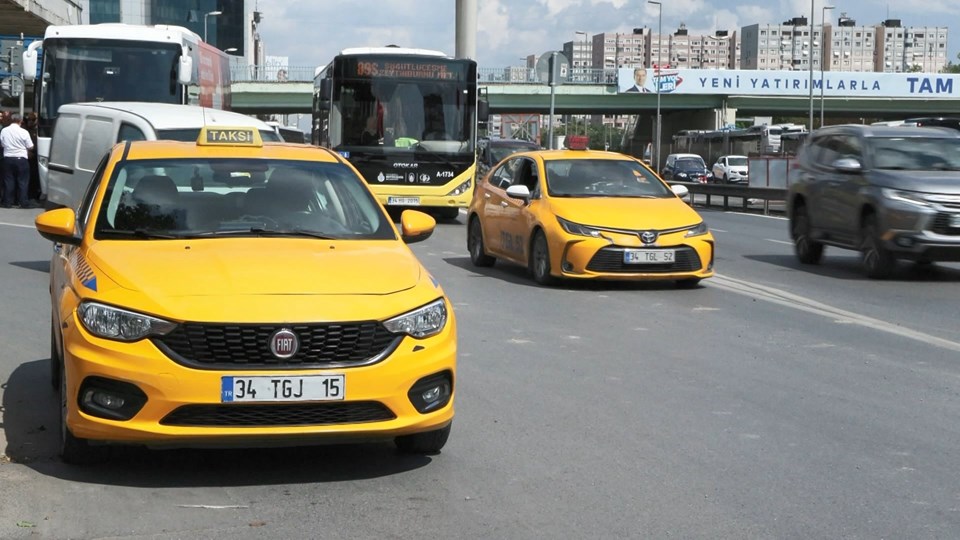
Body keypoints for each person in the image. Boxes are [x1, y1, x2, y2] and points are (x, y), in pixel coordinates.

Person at [0, 113, 38, 209]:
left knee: (8, 181)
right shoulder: (24, 132)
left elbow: (2, 144)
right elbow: (30, 146)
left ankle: (8, 202)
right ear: (20, 121)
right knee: (23, 181)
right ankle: (23, 202)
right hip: (21, 159)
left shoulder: (4, 130)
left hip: (8, 158)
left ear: (12, 120)